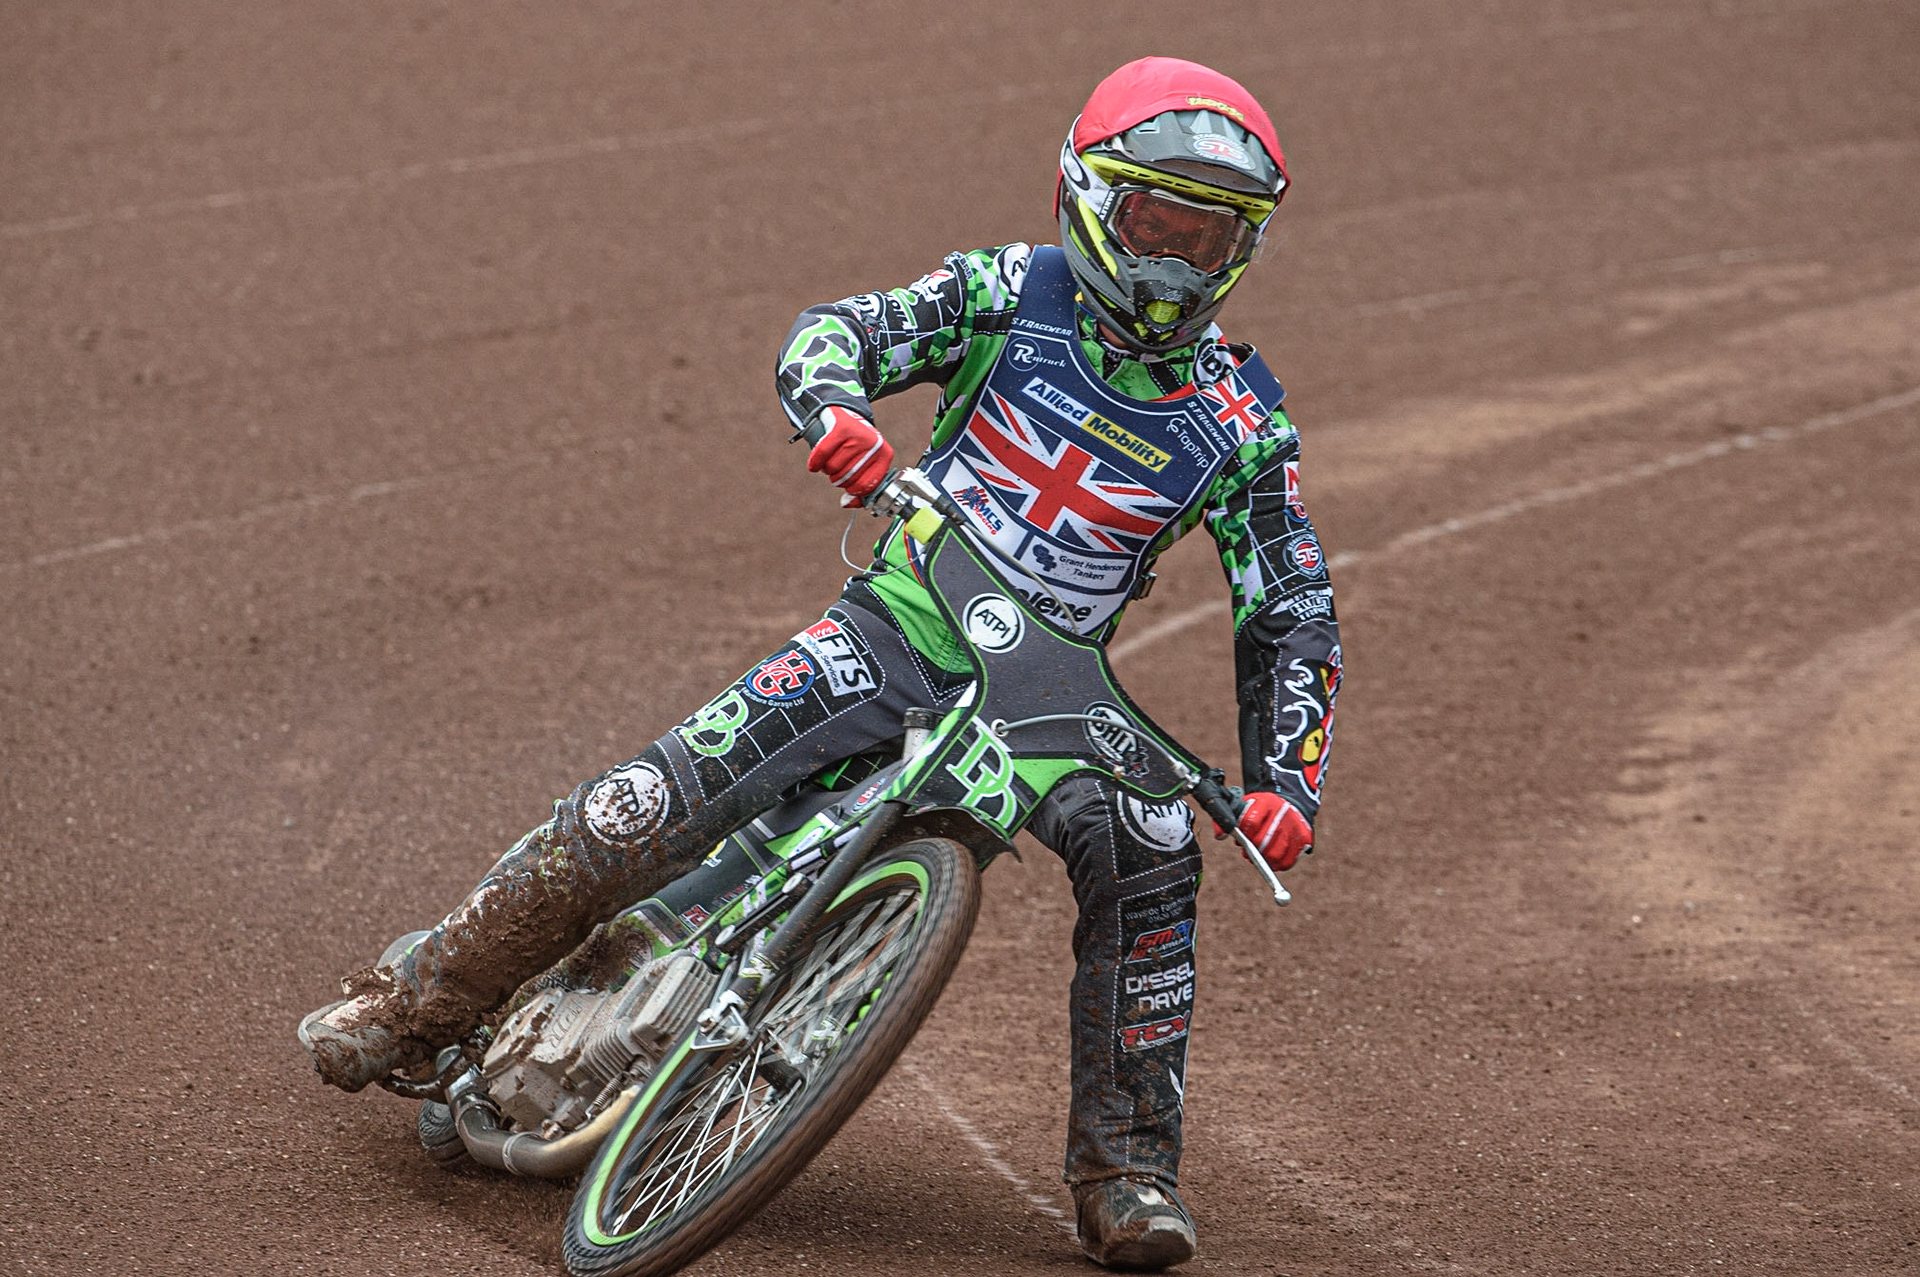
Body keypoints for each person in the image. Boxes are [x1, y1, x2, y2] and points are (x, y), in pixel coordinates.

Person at [300, 56, 1341, 1272]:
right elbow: (838, 330)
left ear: (1243, 248)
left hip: (1052, 698)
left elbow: (1294, 604)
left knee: (1159, 851)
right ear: (1088, 199)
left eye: (1205, 237)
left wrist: (1287, 779)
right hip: (905, 620)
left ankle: (1130, 1171)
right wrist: (838, 406)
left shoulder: (1244, 421)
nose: (1172, 263)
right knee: (656, 794)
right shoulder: (1010, 291)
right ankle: (414, 998)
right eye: (1154, 222)